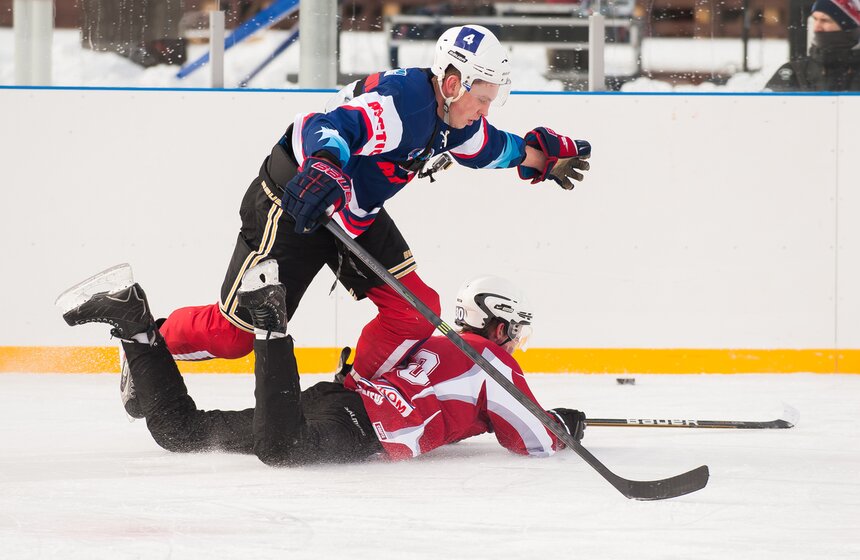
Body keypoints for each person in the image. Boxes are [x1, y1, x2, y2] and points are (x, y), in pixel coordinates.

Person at [157, 24, 592, 384]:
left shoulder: (456, 120)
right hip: (296, 202)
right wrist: (325, 165)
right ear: (453, 83)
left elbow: (492, 148)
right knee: (234, 337)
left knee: (415, 312)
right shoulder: (402, 104)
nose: (486, 110)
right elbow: (323, 126)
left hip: (352, 215)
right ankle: (148, 344)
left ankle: (354, 394)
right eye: (482, 99)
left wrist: (542, 159)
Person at [58, 261, 586, 465]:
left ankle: (135, 325)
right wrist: (563, 423)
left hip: (333, 400)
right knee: (280, 449)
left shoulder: (434, 340)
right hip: (356, 426)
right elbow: (533, 439)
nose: (515, 343)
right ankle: (270, 325)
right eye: (515, 333)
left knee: (180, 433)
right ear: (501, 326)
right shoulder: (494, 365)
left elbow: (390, 379)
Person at [765, 0, 860, 92]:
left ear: (848, 26)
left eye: (825, 20)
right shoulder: (794, 72)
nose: (817, 27)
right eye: (815, 19)